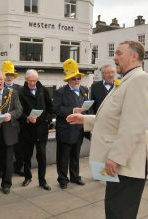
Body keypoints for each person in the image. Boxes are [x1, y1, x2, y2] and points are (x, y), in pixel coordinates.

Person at [67, 40, 148, 219]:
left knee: (119, 213)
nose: (114, 58)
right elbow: (116, 117)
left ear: (133, 56)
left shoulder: (140, 79)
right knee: (114, 210)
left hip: (126, 165)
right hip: (122, 165)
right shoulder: (129, 79)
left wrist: (116, 157)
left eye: (119, 53)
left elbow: (134, 125)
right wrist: (86, 119)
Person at [53, 58, 89, 190]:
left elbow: (88, 107)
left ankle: (75, 176)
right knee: (63, 156)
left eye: (78, 78)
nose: (77, 80)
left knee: (75, 155)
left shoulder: (84, 90)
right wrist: (73, 110)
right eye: (74, 78)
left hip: (79, 129)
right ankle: (63, 179)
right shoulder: (60, 92)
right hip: (66, 130)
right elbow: (56, 109)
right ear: (68, 79)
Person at [18, 69, 54, 190]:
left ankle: (42, 180)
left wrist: (47, 120)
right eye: (30, 81)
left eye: (35, 80)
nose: (33, 83)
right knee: (27, 156)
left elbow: (50, 107)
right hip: (28, 130)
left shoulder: (43, 90)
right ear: (26, 80)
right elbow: (19, 111)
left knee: (42, 156)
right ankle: (27, 177)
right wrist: (27, 118)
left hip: (42, 129)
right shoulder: (21, 92)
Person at [2, 60, 24, 176]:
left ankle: (18, 168)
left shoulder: (19, 89)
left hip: (17, 123)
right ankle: (4, 170)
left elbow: (22, 106)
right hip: (3, 125)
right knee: (5, 151)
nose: (9, 77)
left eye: (10, 75)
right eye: (7, 75)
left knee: (19, 149)